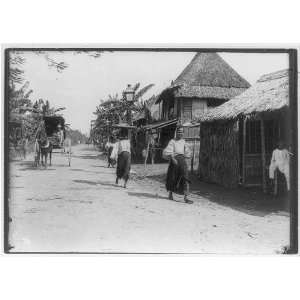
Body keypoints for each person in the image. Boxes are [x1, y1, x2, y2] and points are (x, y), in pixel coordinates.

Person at [163, 126, 193, 204]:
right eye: (179, 131)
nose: (180, 133)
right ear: (176, 132)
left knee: (185, 177)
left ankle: (186, 197)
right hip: (174, 160)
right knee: (172, 177)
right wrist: (173, 159)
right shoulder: (172, 141)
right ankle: (170, 194)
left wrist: (188, 155)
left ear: (183, 133)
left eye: (181, 132)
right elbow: (168, 151)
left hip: (182, 161)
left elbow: (187, 153)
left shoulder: (184, 142)